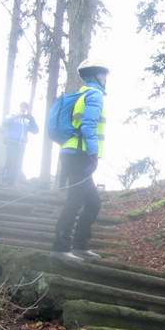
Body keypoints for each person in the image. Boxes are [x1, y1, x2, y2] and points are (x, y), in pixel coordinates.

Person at [52, 59, 108, 261]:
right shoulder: (94, 95)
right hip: (79, 154)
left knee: (93, 202)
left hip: (74, 153)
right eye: (103, 75)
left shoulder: (83, 94)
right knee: (75, 200)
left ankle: (79, 245)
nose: (105, 79)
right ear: (94, 76)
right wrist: (93, 154)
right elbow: (88, 126)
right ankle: (60, 247)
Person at [2, 102, 38, 186]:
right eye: (22, 107)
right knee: (10, 160)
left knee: (17, 162)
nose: (23, 109)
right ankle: (5, 180)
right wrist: (16, 116)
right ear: (18, 107)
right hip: (11, 141)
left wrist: (32, 120)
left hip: (21, 144)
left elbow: (35, 131)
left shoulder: (27, 119)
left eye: (25, 108)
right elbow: (4, 123)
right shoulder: (12, 115)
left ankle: (12, 182)